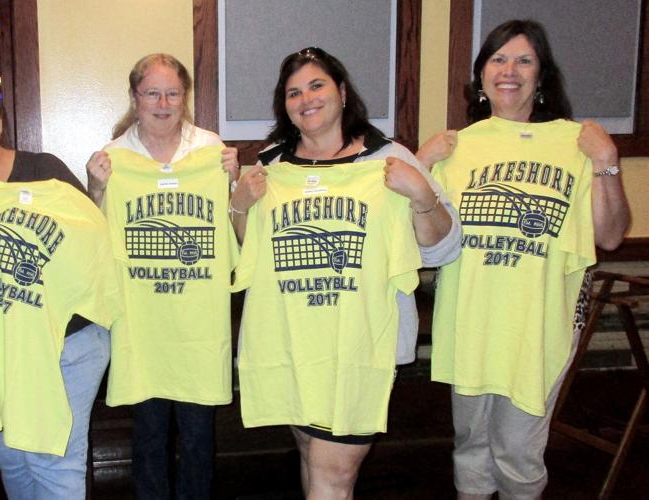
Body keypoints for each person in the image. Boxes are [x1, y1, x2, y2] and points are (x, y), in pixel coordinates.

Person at [229, 47, 461, 499]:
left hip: (361, 343)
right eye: (293, 92)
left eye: (316, 85)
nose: (306, 98)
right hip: (294, 341)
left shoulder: (388, 159)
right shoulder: (272, 166)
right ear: (285, 105)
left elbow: (442, 250)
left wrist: (421, 195)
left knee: (332, 474)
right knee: (313, 458)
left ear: (341, 91)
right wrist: (240, 206)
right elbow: (248, 250)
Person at [418, 19, 630, 499]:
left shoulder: (575, 143)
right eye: (497, 58)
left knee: (517, 449)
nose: (508, 70)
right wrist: (421, 162)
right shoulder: (456, 146)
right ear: (480, 76)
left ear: (542, 76)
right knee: (470, 445)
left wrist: (606, 161)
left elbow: (612, 236)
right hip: (471, 317)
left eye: (523, 59)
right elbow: (404, 230)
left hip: (539, 320)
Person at [0, 76, 111, 499]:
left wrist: (98, 190)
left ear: (1, 121)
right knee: (13, 460)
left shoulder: (42, 171)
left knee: (54, 462)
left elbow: (90, 236)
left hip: (64, 347)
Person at [85, 53, 239, 500]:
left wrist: (233, 181)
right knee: (148, 435)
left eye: (173, 92)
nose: (164, 102)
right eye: (152, 92)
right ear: (135, 97)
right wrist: (96, 189)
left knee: (197, 437)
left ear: (184, 96)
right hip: (142, 325)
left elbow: (233, 230)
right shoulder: (113, 158)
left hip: (197, 325)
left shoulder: (210, 150)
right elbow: (94, 239)